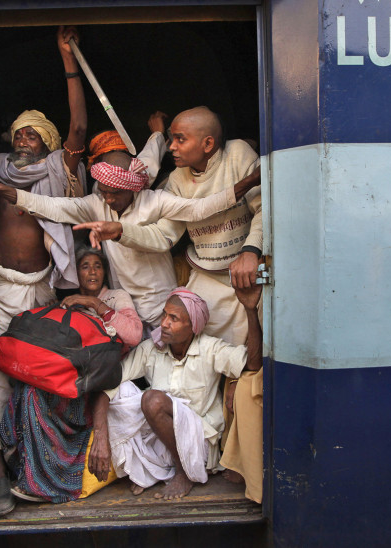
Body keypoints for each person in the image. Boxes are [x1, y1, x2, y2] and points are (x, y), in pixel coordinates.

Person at [82, 106, 264, 503]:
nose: (172, 146)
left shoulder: (238, 156)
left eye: (179, 139)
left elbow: (263, 208)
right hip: (204, 274)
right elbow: (165, 236)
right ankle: (173, 460)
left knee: (242, 380)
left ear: (209, 143)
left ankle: (229, 459)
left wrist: (251, 250)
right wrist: (123, 231)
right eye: (171, 138)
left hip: (241, 273)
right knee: (140, 398)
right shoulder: (175, 181)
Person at [0, 25, 87, 516]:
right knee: (0, 381)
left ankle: (39, 468)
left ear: (47, 143)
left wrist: (68, 61)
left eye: (34, 133)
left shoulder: (58, 169)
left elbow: (77, 130)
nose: (25, 138)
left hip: (46, 292)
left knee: (44, 377)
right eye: (19, 132)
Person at [0, 131, 261, 330]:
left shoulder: (156, 201)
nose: (107, 198)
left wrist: (249, 182)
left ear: (132, 189)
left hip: (160, 307)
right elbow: (50, 206)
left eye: (113, 194)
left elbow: (199, 210)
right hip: (123, 307)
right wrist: (1, 189)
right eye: (103, 191)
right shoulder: (96, 203)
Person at [86, 284, 262, 501]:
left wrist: (251, 311)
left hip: (198, 445)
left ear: (193, 327)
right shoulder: (151, 348)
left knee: (153, 400)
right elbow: (107, 385)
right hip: (161, 441)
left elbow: (253, 363)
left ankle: (184, 472)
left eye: (174, 319)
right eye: (164, 315)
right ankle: (153, 471)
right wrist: (100, 437)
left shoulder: (210, 349)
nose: (164, 324)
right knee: (120, 390)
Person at [0, 246, 142, 504]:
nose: (92, 271)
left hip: (92, 386)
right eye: (85, 266)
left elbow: (133, 334)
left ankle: (45, 484)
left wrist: (95, 304)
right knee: (28, 390)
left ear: (105, 272)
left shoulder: (116, 297)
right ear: (76, 273)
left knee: (37, 397)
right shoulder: (67, 301)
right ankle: (28, 473)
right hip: (67, 378)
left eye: (97, 266)